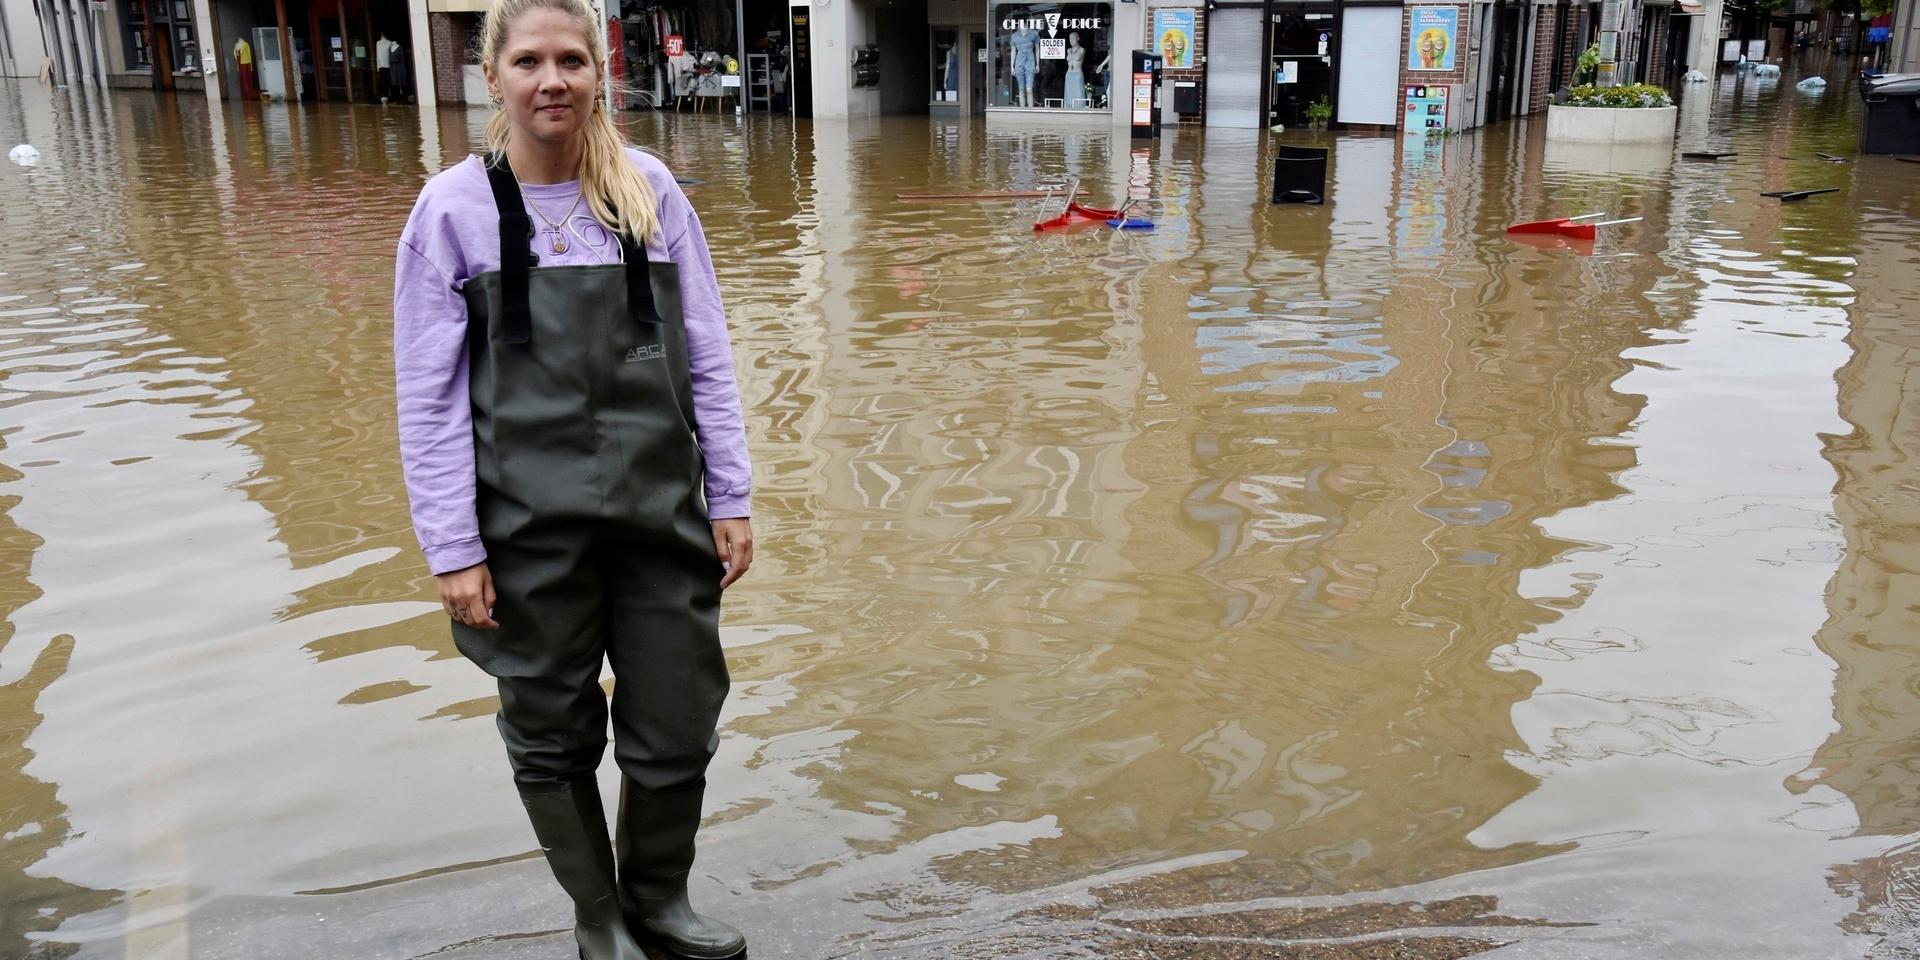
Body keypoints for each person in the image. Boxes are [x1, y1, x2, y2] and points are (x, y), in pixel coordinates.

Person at [391, 0, 753, 957]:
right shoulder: (451, 213)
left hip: (661, 516)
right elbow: (426, 403)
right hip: (523, 533)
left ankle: (660, 901)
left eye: (571, 60)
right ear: (494, 77)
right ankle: (600, 919)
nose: (552, 79)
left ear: (600, 73)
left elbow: (708, 353)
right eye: (529, 61)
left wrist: (735, 496)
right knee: (551, 734)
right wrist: (452, 549)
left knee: (677, 717)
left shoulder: (652, 192)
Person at [1064, 32, 1086, 109]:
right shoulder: (1068, 50)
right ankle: (1068, 109)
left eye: (1073, 38)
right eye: (1070, 38)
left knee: (1079, 93)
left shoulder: (1082, 50)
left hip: (1077, 74)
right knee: (1069, 94)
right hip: (1069, 74)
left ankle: (1080, 110)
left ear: (1078, 38)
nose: (1071, 40)